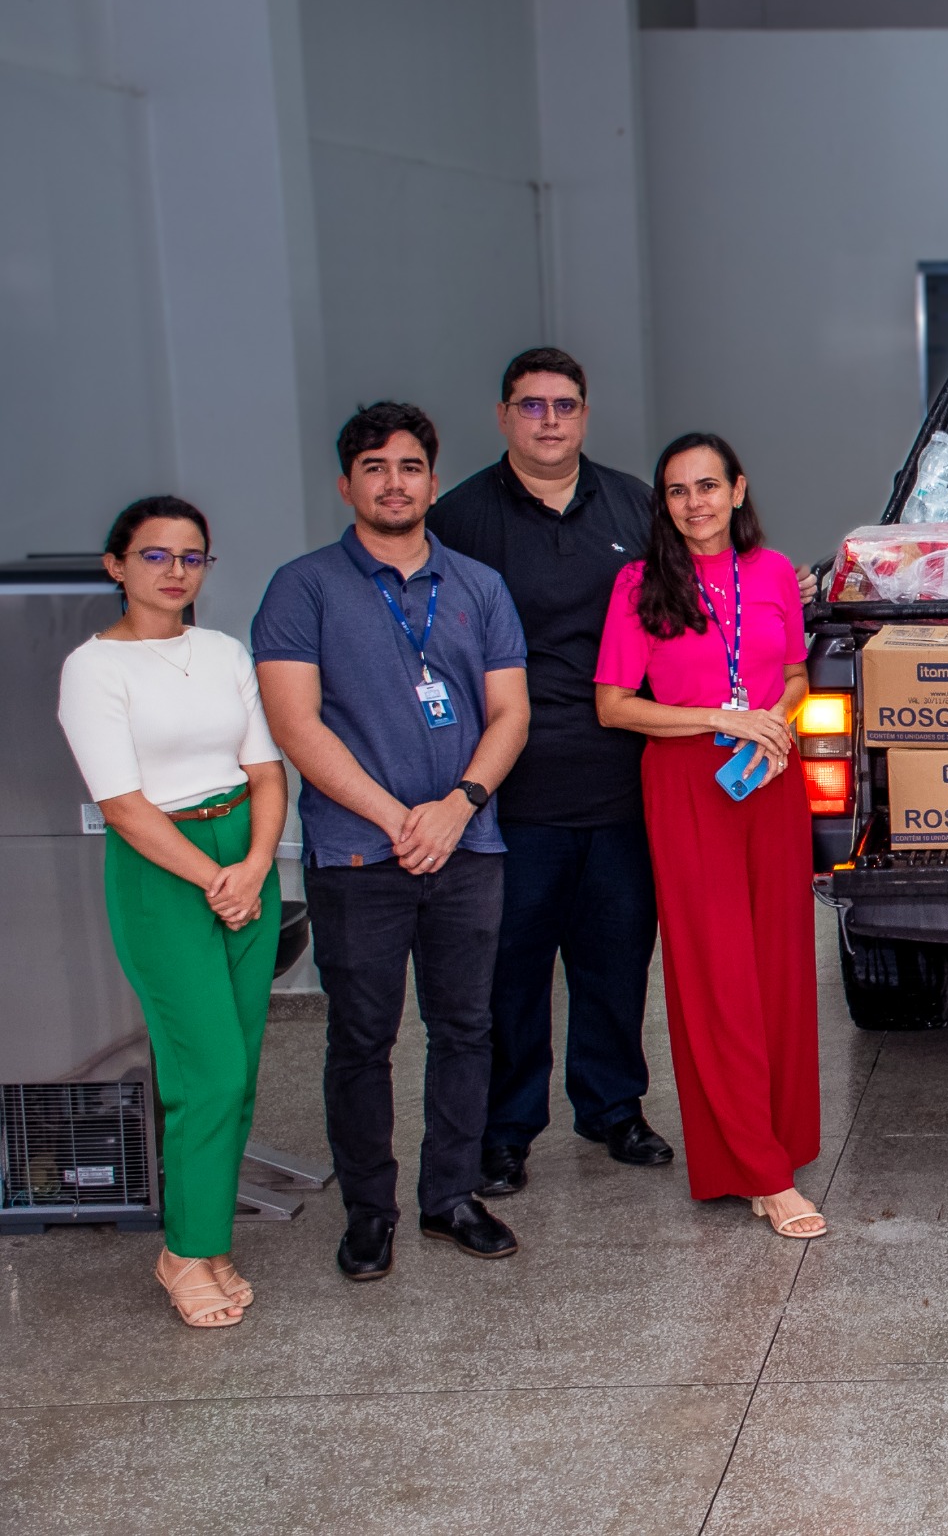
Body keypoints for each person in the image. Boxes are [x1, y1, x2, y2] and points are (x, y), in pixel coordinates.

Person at [254, 404, 531, 1279]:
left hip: (467, 847)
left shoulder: (479, 585)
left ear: (433, 482)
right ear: (347, 484)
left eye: (410, 466)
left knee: (465, 1028)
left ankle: (449, 1195)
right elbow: (295, 725)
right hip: (357, 856)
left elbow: (511, 713)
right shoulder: (302, 588)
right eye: (374, 467)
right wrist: (393, 815)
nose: (393, 482)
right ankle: (369, 1210)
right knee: (360, 1038)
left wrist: (458, 805)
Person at [428, 348, 672, 1196]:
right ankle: (505, 1130)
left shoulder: (637, 507)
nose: (549, 420)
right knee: (514, 972)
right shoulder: (460, 519)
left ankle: (612, 1108)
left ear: (585, 415)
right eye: (530, 406)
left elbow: (684, 621)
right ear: (502, 417)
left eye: (564, 404)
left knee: (615, 960)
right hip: (509, 792)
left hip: (621, 780)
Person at [55, 498, 286, 1328]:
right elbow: (120, 804)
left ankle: (211, 1241)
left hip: (243, 858)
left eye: (192, 557)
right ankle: (184, 1252)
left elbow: (264, 769)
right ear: (117, 565)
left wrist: (255, 864)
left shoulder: (222, 651)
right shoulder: (94, 668)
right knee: (208, 1071)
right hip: (162, 871)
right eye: (155, 556)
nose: (176, 571)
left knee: (241, 1070)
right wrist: (215, 878)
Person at [595, 433, 825, 1237]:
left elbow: (794, 676)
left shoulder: (771, 574)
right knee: (716, 970)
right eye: (676, 490)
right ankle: (757, 1171)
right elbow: (615, 704)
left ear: (737, 489)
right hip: (690, 781)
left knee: (781, 968)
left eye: (706, 486)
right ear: (664, 504)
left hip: (768, 773)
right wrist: (718, 718)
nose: (693, 502)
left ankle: (779, 1144)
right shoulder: (640, 583)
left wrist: (776, 727)